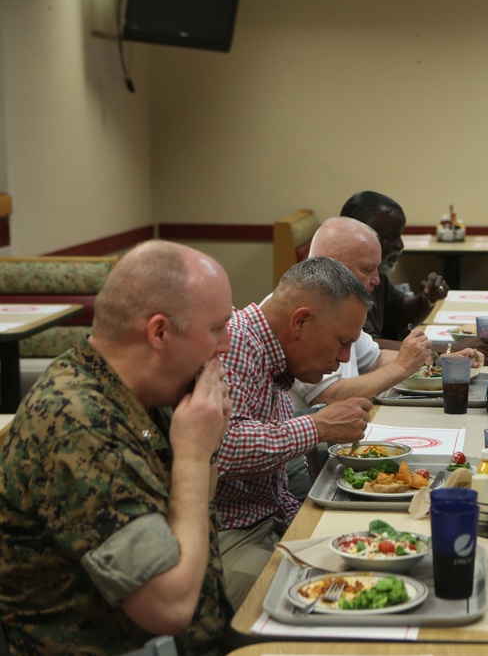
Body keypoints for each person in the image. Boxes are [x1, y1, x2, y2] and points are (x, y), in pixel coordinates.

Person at [0, 241, 232, 654]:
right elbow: (170, 606)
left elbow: (189, 515)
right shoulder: (78, 424)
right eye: (216, 328)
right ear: (159, 332)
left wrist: (206, 445)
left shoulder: (145, 391)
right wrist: (195, 456)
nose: (226, 344)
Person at [216, 257, 374, 607]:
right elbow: (223, 449)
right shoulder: (238, 342)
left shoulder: (273, 360)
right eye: (342, 342)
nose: (343, 357)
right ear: (300, 321)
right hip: (225, 534)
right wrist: (318, 426)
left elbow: (274, 493)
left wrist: (315, 536)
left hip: (263, 522)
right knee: (331, 605)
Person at [340, 190, 488, 362]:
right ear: (361, 236)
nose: (400, 245)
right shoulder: (341, 285)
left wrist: (427, 298)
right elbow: (367, 349)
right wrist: (450, 349)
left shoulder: (375, 274)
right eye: (391, 236)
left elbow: (398, 315)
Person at [289, 216, 432, 406]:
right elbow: (329, 396)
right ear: (333, 266)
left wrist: (439, 358)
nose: (377, 280)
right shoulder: (305, 311)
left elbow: (376, 358)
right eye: (368, 269)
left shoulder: (341, 306)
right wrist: (402, 366)